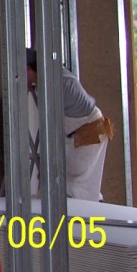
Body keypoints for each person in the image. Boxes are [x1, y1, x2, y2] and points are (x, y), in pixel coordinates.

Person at [26, 48, 114, 201]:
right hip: (83, 131)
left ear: (28, 69)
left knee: (77, 183)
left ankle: (86, 211)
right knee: (74, 181)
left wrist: (48, 165)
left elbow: (51, 126)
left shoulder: (52, 84)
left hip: (90, 132)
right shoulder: (49, 76)